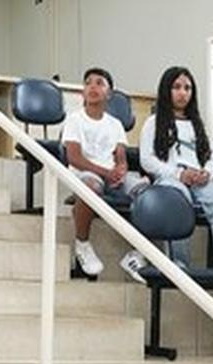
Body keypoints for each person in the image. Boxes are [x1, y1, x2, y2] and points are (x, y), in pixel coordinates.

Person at [61, 66, 148, 281]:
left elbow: (120, 156)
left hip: (109, 173)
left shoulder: (115, 124)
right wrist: (105, 173)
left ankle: (139, 251)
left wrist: (120, 171)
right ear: (83, 91)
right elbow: (74, 158)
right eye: (88, 82)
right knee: (91, 187)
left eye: (99, 83)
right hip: (86, 173)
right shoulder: (75, 120)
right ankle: (82, 244)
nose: (92, 86)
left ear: (108, 93)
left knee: (145, 191)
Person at [138, 66, 213, 266]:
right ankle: (179, 265)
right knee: (177, 199)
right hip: (171, 178)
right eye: (177, 87)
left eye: (188, 88)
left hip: (200, 180)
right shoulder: (153, 123)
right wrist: (178, 174)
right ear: (166, 90)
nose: (183, 93)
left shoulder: (198, 124)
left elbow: (211, 158)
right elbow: (147, 159)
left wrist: (207, 173)